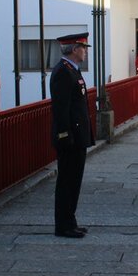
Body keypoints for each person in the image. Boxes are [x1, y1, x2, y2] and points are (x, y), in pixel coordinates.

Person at [50, 32, 95, 238]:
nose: (85, 52)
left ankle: (71, 221)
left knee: (74, 181)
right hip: (70, 138)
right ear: (74, 49)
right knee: (67, 181)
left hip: (78, 135)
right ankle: (64, 225)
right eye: (83, 48)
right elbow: (61, 109)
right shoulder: (63, 72)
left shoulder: (72, 70)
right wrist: (64, 136)